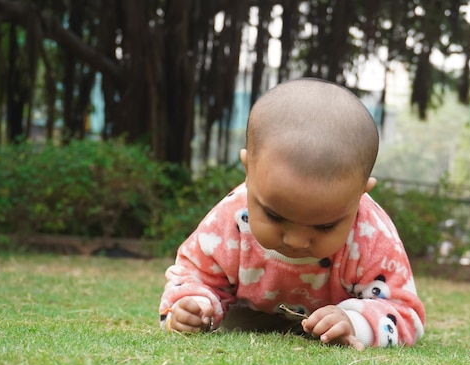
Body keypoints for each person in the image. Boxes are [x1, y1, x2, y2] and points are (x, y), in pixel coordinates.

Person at [159, 78, 425, 350]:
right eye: (275, 216)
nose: (297, 241)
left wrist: (356, 322)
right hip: (245, 319)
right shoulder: (230, 219)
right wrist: (194, 307)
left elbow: (405, 313)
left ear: (360, 194)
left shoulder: (371, 235)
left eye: (324, 226)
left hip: (334, 322)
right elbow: (194, 276)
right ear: (249, 170)